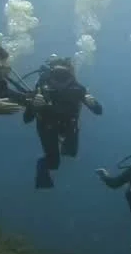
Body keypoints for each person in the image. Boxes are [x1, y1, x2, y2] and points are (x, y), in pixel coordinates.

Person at [22, 56, 103, 189]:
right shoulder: (42, 87)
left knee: (70, 153)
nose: (61, 78)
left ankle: (53, 158)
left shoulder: (77, 89)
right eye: (57, 73)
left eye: (64, 74)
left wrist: (93, 104)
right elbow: (27, 118)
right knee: (53, 162)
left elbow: (99, 111)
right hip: (47, 126)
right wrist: (33, 106)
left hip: (69, 126)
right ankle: (43, 166)